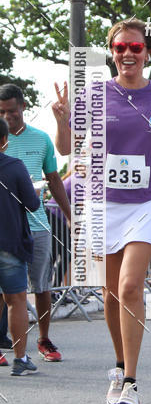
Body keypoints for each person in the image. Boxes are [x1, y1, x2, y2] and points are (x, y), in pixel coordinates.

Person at [53, 18, 151, 404]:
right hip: (103, 204)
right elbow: (66, 149)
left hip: (147, 203)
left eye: (135, 48)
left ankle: (132, 383)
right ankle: (119, 367)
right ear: (112, 52)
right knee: (111, 294)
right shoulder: (93, 94)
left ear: (147, 52)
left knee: (132, 286)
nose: (127, 54)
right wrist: (60, 117)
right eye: (120, 48)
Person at [0, 83, 71, 362]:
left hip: (37, 225)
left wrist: (69, 216)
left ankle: (44, 339)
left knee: (41, 286)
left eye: (12, 111)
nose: (7, 116)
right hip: (5, 229)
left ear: (23, 108)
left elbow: (54, 180)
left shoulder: (41, 139)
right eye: (2, 111)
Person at [0, 117, 42, 375]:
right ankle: (20, 358)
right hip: (10, 244)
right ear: (4, 141)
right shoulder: (15, 167)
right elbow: (33, 204)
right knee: (16, 301)